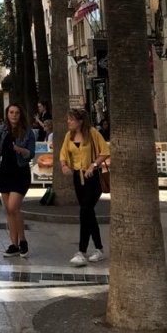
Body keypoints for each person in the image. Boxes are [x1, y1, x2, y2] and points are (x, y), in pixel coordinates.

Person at [59, 108, 110, 266]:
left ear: (80, 121)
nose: (68, 122)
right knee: (88, 213)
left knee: (85, 211)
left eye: (71, 119)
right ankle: (99, 249)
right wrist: (64, 165)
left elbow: (105, 152)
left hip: (92, 178)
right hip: (78, 177)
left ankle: (81, 251)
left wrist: (93, 165)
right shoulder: (69, 136)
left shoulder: (93, 133)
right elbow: (63, 153)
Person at [0, 103, 36, 256]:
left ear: (20, 114)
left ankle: (23, 240)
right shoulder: (1, 129)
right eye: (11, 112)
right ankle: (14, 244)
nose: (14, 115)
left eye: (17, 112)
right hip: (5, 172)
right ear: (7, 114)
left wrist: (21, 150)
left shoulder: (28, 132)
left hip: (20, 172)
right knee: (9, 210)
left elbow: (31, 154)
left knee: (13, 207)